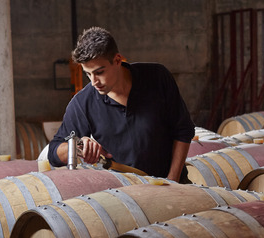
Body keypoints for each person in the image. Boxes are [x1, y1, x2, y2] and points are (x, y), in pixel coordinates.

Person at [48, 27, 195, 182]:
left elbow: (183, 130)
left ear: (117, 60)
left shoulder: (157, 77)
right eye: (88, 74)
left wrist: (172, 181)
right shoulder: (83, 103)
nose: (93, 82)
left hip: (175, 187)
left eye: (99, 72)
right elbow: (54, 152)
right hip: (126, 197)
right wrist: (78, 146)